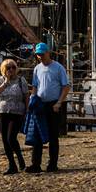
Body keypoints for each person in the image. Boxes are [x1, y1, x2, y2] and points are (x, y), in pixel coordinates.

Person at [26, 42, 69, 173]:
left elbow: (65, 86)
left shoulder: (58, 68)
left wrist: (59, 102)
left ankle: (53, 164)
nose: (40, 57)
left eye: (42, 54)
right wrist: (32, 100)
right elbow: (35, 86)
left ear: (48, 53)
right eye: (38, 55)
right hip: (40, 103)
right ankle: (36, 164)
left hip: (53, 104)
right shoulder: (37, 69)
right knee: (37, 134)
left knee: (53, 135)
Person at [0, 58, 28, 174]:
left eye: (13, 67)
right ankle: (12, 165)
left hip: (17, 111)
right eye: (9, 68)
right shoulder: (1, 80)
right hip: (4, 111)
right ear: (4, 69)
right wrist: (5, 82)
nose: (12, 70)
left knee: (11, 138)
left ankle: (20, 158)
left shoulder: (21, 80)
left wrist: (27, 110)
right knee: (4, 139)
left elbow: (26, 95)